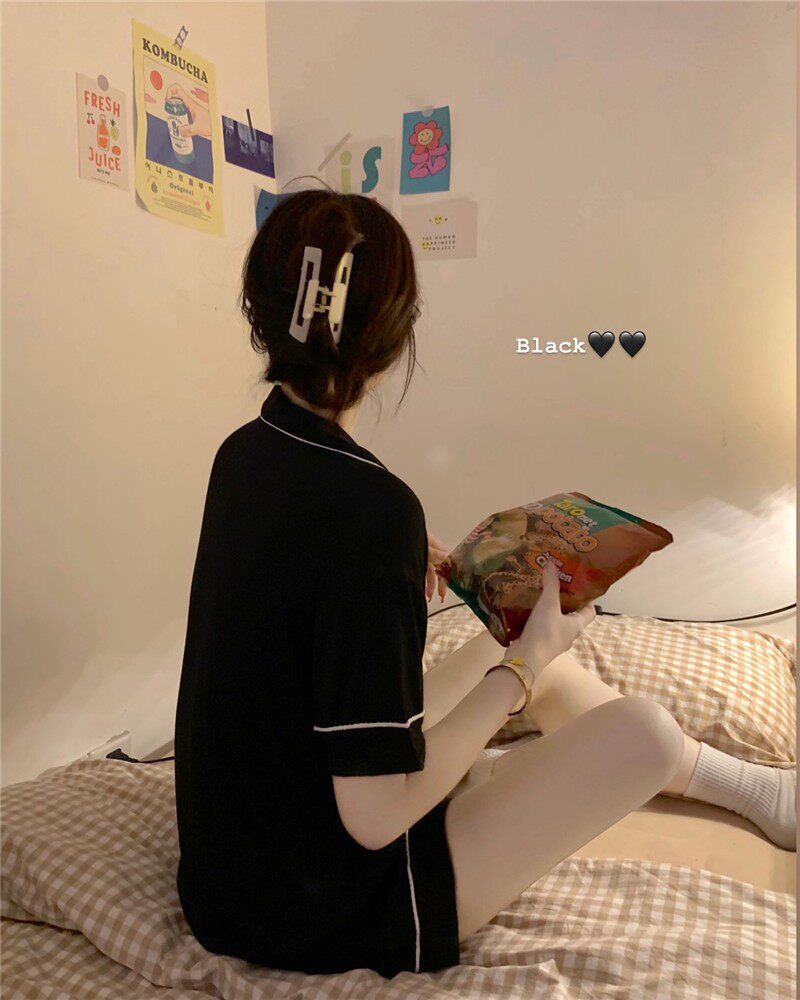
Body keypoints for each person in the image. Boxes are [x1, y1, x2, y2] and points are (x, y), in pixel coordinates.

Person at [173, 186, 796, 981]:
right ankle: (737, 786)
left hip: (225, 877)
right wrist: (522, 670)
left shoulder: (246, 452)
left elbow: (294, 605)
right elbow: (373, 819)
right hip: (318, 911)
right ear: (393, 338)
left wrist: (401, 574)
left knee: (507, 649)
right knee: (636, 729)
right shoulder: (370, 509)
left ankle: (760, 793)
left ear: (261, 311)